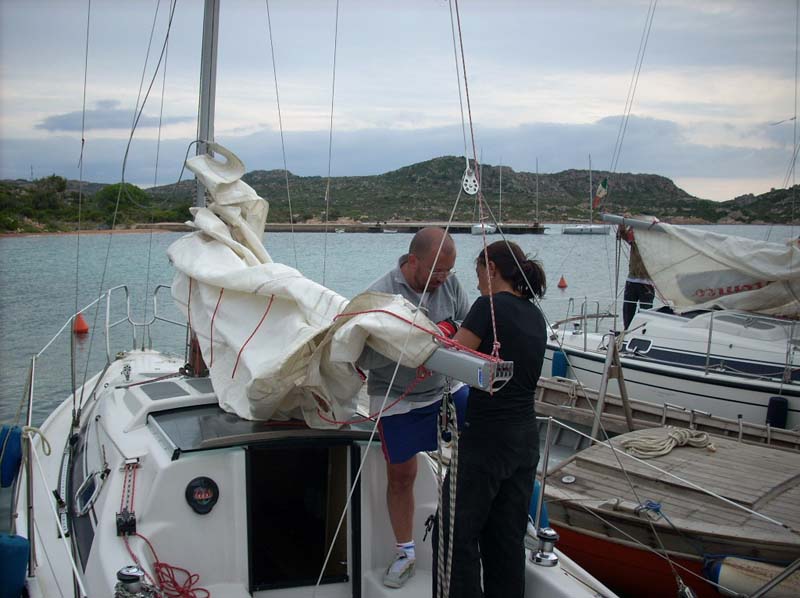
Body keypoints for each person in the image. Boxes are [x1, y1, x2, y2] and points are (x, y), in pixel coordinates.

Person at [356, 227, 470, 588]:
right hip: (397, 397)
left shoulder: (450, 284)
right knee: (401, 476)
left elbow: (468, 324)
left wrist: (447, 329)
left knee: (485, 446)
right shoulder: (379, 295)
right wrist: (410, 349)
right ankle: (405, 552)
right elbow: (362, 356)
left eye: (449, 271)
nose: (444, 279)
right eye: (437, 271)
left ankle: (488, 526)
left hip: (446, 388)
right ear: (412, 261)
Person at [434, 239, 547, 598]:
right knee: (506, 538)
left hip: (487, 441)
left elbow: (453, 355)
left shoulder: (488, 307)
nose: (478, 281)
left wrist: (442, 331)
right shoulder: (536, 315)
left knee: (454, 535)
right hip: (525, 440)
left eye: (479, 271)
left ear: (492, 268)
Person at [618, 223, 655, 329]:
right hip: (632, 280)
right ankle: (627, 330)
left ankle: (642, 331)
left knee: (645, 313)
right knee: (628, 311)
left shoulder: (655, 244)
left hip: (647, 282)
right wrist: (622, 225)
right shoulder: (635, 240)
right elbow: (624, 234)